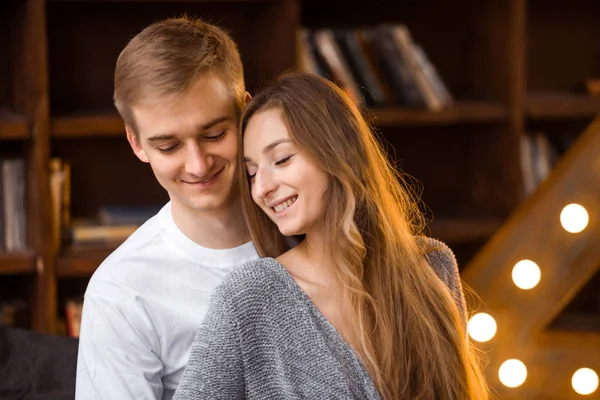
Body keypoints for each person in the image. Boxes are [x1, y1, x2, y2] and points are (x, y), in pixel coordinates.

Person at [174, 72, 489, 399]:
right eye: (251, 173)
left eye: (281, 160)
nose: (262, 188)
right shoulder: (250, 296)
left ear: (336, 150)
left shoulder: (432, 267)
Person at [75, 17, 259, 400]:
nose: (198, 164)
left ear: (246, 112)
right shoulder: (120, 293)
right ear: (136, 143)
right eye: (169, 146)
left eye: (214, 134)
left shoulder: (313, 228)